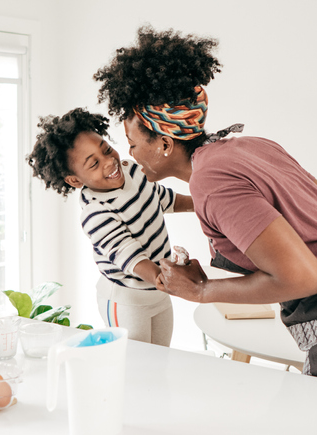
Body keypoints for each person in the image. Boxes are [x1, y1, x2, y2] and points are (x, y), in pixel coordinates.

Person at [93, 25, 317, 394]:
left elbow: (305, 278)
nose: (129, 155)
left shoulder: (209, 180)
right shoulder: (247, 146)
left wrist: (202, 291)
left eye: (132, 143)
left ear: (164, 143)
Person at [27, 107, 194, 346]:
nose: (109, 162)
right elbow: (128, 255)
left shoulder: (132, 170)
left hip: (159, 290)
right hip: (126, 299)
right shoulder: (95, 212)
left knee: (160, 358)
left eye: (106, 150)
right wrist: (162, 276)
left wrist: (201, 203)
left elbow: (163, 198)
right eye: (94, 164)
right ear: (75, 180)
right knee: (134, 368)